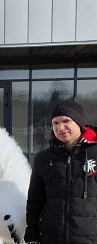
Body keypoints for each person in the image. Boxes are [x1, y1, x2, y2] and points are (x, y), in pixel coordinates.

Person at [24, 99, 97, 244]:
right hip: (51, 238)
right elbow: (35, 201)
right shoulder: (43, 159)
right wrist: (32, 235)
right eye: (55, 123)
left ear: (79, 122)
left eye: (66, 121)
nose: (60, 127)